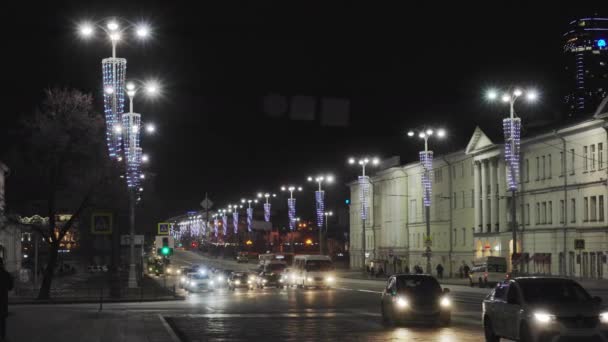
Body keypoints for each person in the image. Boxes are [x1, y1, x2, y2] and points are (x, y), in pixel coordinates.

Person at [0, 258, 13, 341]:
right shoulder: (6, 274)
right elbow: (10, 287)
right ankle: (2, 336)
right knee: (2, 320)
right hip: (2, 300)